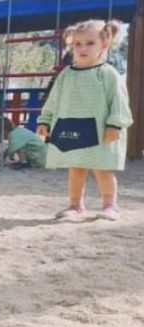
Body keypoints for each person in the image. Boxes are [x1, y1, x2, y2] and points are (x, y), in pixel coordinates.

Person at [37, 19, 133, 221]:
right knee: (76, 168)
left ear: (104, 44)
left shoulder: (108, 74)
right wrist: (44, 121)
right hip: (73, 127)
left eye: (90, 43)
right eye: (78, 44)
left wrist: (115, 124)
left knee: (102, 169)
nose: (83, 48)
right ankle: (75, 205)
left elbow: (119, 101)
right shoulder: (66, 75)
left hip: (101, 130)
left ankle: (110, 205)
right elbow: (53, 100)